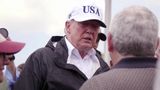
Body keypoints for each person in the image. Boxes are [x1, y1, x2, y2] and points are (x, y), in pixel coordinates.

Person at [14, 3, 110, 90]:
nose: (90, 30)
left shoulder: (104, 67)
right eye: (84, 23)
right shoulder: (41, 59)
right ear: (68, 26)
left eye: (95, 26)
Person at [80, 5, 159, 90]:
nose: (89, 32)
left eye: (94, 27)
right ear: (157, 44)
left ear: (109, 42)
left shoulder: (95, 85)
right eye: (84, 25)